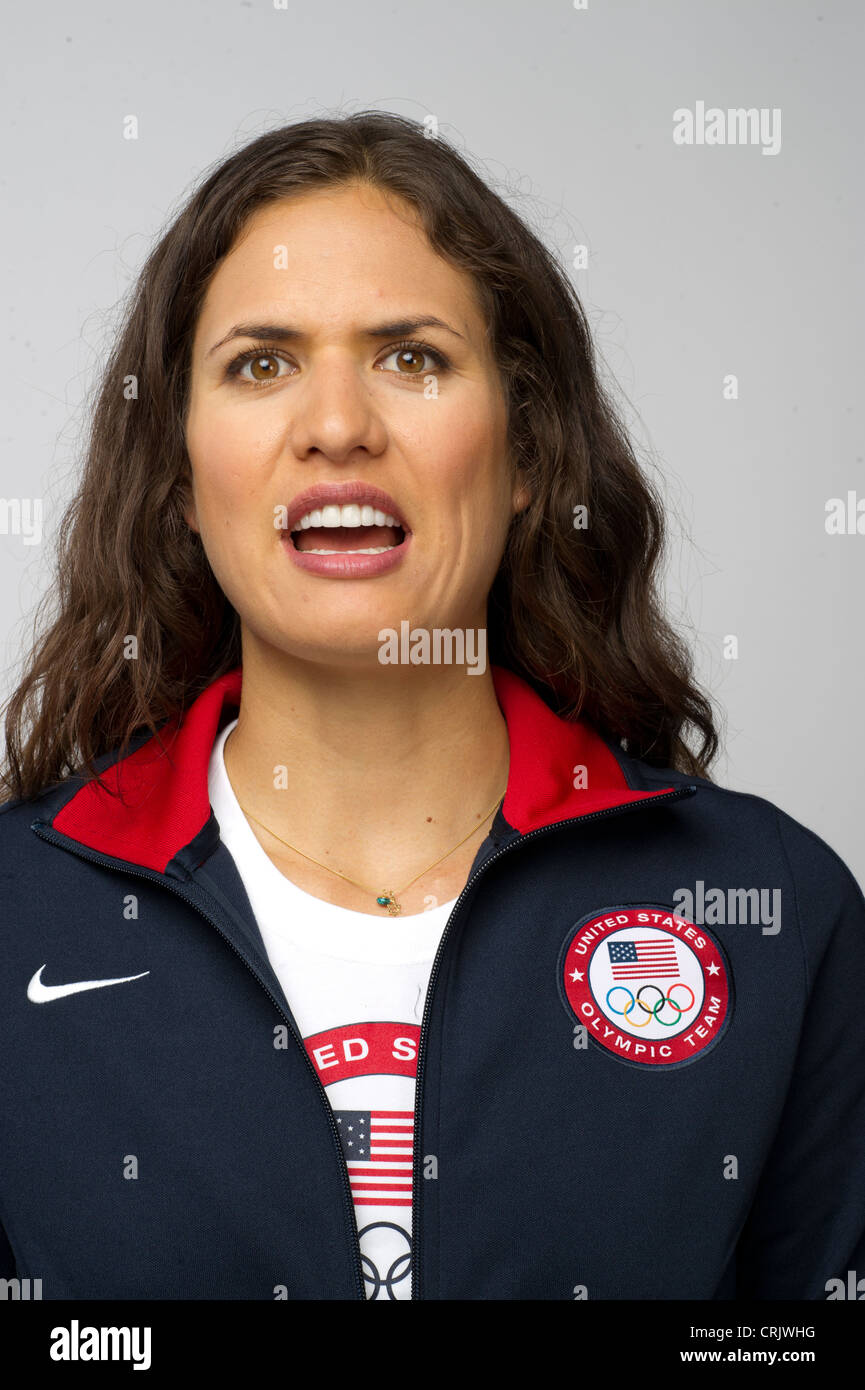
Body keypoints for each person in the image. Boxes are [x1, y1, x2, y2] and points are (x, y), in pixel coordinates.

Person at [1, 111, 863, 1302]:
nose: (339, 425)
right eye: (261, 362)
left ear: (526, 461)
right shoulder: (13, 921)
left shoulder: (777, 914)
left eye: (411, 356)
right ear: (181, 481)